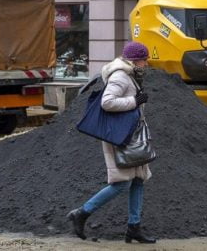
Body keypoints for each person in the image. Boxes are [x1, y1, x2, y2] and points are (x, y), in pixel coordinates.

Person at [67, 41, 156, 244]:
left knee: (138, 179)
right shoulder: (120, 76)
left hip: (131, 135)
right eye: (144, 60)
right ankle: (82, 213)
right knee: (122, 183)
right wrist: (135, 102)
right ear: (135, 61)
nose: (146, 64)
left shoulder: (130, 76)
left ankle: (134, 227)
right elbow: (107, 102)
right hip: (120, 137)